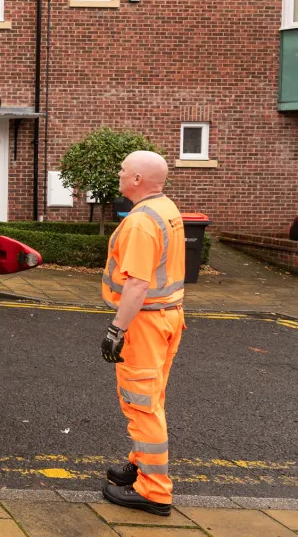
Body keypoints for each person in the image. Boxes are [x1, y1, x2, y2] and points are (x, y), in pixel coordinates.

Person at [100, 150, 186, 516]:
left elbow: (136, 284)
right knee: (151, 399)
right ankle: (139, 466)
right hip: (168, 318)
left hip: (145, 324)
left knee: (141, 404)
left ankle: (154, 491)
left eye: (122, 170)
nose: (118, 175)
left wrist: (116, 329)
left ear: (136, 180)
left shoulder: (140, 222)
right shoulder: (167, 209)